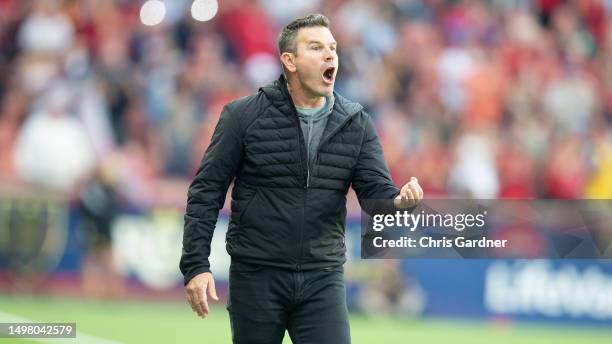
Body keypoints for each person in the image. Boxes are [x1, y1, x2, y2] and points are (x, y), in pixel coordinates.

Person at [180, 14, 423, 344]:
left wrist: (397, 201)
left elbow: (374, 194)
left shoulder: (357, 122)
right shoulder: (243, 116)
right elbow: (206, 190)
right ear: (289, 61)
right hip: (256, 275)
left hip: (322, 278)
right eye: (316, 47)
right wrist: (196, 264)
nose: (330, 55)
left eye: (333, 48)